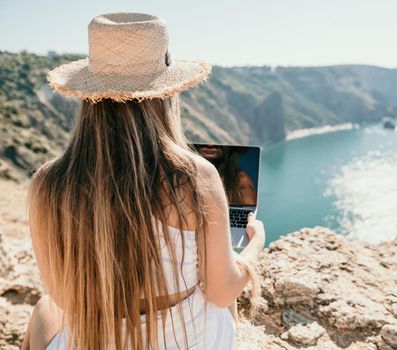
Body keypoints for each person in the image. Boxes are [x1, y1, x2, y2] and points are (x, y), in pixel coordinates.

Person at [21, 12, 265, 350]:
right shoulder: (195, 177)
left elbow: (63, 298)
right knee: (223, 294)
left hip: (96, 339)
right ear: (166, 94)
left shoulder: (49, 183)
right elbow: (222, 291)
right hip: (186, 341)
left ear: (88, 97)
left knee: (43, 311)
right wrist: (253, 248)